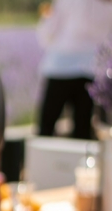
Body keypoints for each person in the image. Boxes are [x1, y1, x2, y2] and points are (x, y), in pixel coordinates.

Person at [36, 0, 112, 139]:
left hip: (60, 68)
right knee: (82, 131)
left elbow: (47, 32)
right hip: (90, 70)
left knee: (46, 129)